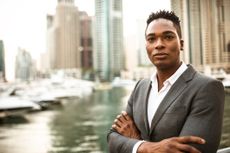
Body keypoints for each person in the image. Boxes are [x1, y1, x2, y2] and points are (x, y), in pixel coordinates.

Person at [107, 10, 225, 153]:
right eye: (151, 39)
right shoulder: (140, 87)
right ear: (146, 46)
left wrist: (134, 141)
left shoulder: (207, 88)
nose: (159, 45)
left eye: (168, 37)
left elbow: (192, 150)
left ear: (181, 44)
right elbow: (112, 139)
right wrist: (145, 147)